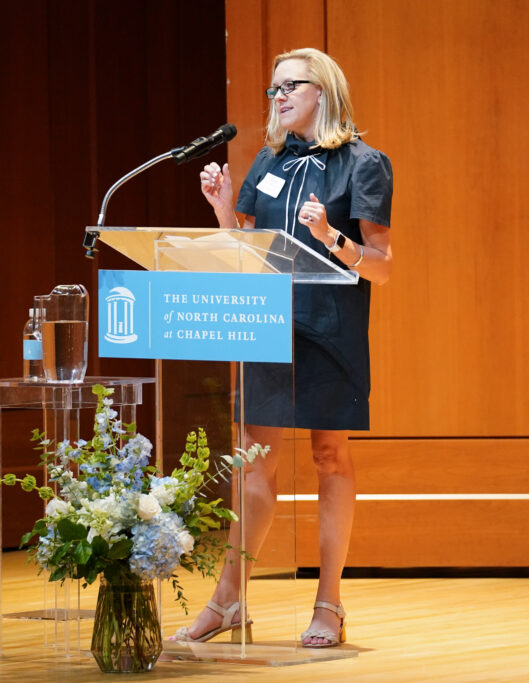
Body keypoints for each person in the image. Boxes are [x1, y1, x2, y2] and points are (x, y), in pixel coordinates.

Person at [170, 47, 393, 648]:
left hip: (329, 333)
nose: (278, 97)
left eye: (291, 86)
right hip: (267, 325)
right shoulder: (270, 161)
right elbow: (246, 248)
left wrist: (331, 237)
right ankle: (228, 600)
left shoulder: (363, 165)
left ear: (324, 91)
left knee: (328, 459)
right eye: (272, 89)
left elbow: (382, 267)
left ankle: (329, 604)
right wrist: (222, 212)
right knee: (251, 459)